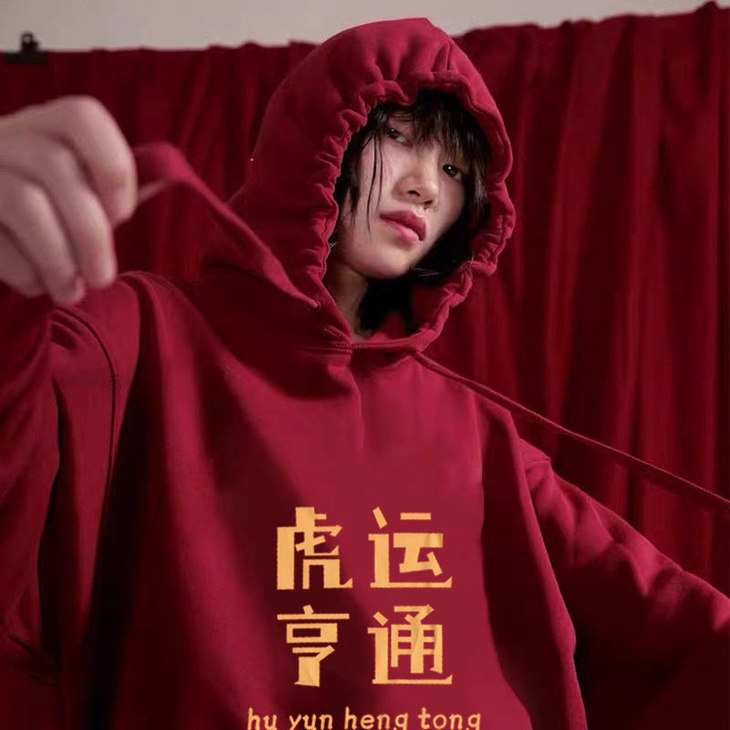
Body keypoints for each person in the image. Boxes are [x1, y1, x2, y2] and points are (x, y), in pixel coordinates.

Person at [0, 18, 727, 730]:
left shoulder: (479, 435)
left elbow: (677, 624)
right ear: (314, 138)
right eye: (400, 137)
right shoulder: (140, 335)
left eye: (454, 171)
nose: (426, 187)